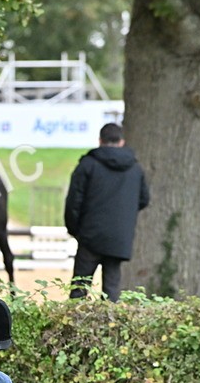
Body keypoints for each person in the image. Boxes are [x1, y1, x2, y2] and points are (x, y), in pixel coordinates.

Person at [64, 123, 150, 302]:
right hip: (118, 238)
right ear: (121, 142)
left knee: (79, 288)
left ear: (100, 141)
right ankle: (110, 320)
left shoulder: (87, 165)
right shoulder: (135, 168)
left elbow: (73, 202)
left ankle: (75, 320)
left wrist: (75, 230)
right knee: (111, 291)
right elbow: (144, 199)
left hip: (90, 236)